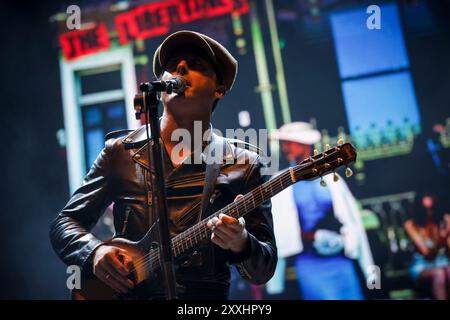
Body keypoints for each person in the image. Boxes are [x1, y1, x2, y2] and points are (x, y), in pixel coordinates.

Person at [49, 30, 277, 299]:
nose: (180, 67)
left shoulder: (244, 164)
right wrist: (95, 251)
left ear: (219, 89)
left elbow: (265, 268)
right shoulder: (120, 153)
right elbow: (65, 222)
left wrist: (242, 243)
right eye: (173, 64)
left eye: (196, 64)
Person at [267, 122, 373, 300]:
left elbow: (352, 222)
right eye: (283, 143)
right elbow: (278, 228)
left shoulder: (333, 179)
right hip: (309, 260)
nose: (284, 147)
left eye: (289, 142)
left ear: (304, 143)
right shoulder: (281, 181)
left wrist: (342, 241)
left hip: (340, 258)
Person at [404, 192, 450, 300]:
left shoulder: (443, 221)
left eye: (431, 209)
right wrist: (442, 239)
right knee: (439, 274)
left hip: (443, 262)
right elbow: (427, 254)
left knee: (448, 270)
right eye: (425, 210)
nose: (429, 213)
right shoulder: (411, 225)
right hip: (421, 265)